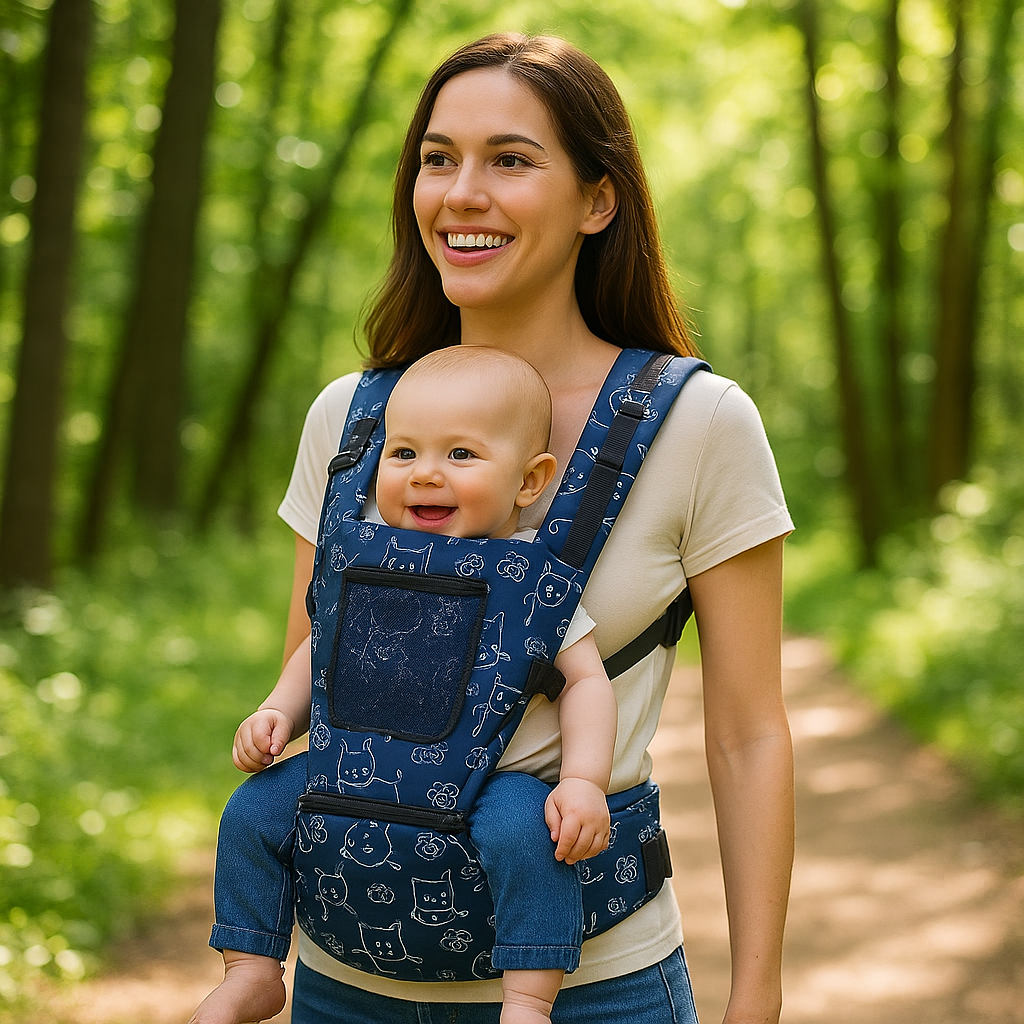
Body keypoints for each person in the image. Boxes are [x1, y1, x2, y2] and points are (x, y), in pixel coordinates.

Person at [202, 30, 794, 1024]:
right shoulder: (352, 418)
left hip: (597, 991)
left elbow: (746, 735)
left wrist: (757, 1000)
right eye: (438, 159)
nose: (459, 192)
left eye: (509, 160)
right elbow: (323, 660)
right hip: (348, 985)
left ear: (597, 200)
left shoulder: (699, 424)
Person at [191, 346, 618, 1024]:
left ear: (531, 481)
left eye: (461, 456)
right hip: (347, 770)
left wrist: (584, 779)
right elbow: (320, 646)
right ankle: (250, 967)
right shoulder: (364, 553)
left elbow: (586, 682)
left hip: (483, 781)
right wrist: (278, 710)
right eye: (404, 453)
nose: (426, 475)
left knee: (528, 836)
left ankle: (529, 999)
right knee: (252, 811)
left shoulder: (527, 576)